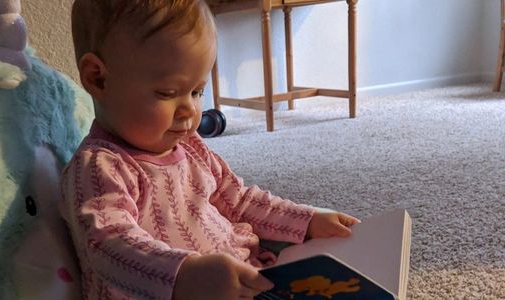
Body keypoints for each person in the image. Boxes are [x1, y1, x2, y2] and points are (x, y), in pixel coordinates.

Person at [60, 1, 361, 299]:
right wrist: (183, 274)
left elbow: (241, 201)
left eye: (197, 91)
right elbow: (107, 245)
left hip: (243, 279)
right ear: (98, 78)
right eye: (168, 93)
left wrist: (306, 219)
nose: (189, 110)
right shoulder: (99, 167)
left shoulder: (191, 149)